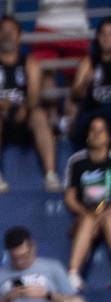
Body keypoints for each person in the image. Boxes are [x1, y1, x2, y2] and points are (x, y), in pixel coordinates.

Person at [0, 16, 60, 195]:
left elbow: (35, 95)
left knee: (39, 115)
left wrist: (25, 108)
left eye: (11, 31)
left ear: (19, 37)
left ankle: (51, 175)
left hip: (23, 118)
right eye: (3, 31)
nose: (7, 35)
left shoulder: (30, 63)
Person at [14, 0, 92, 131]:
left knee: (75, 84)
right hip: (46, 23)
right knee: (43, 77)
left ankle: (70, 129)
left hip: (76, 26)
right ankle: (52, 127)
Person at [64, 116, 111, 291]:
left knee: (109, 217)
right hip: (86, 216)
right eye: (93, 130)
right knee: (88, 218)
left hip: (109, 215)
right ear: (87, 135)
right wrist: (84, 212)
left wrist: (104, 211)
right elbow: (70, 197)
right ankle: (73, 275)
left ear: (108, 136)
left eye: (101, 130)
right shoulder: (77, 161)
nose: (97, 134)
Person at [69, 18, 111, 150]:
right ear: (98, 37)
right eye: (103, 34)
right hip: (93, 114)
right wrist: (85, 83)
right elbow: (75, 94)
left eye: (110, 34)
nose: (107, 38)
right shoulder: (89, 62)